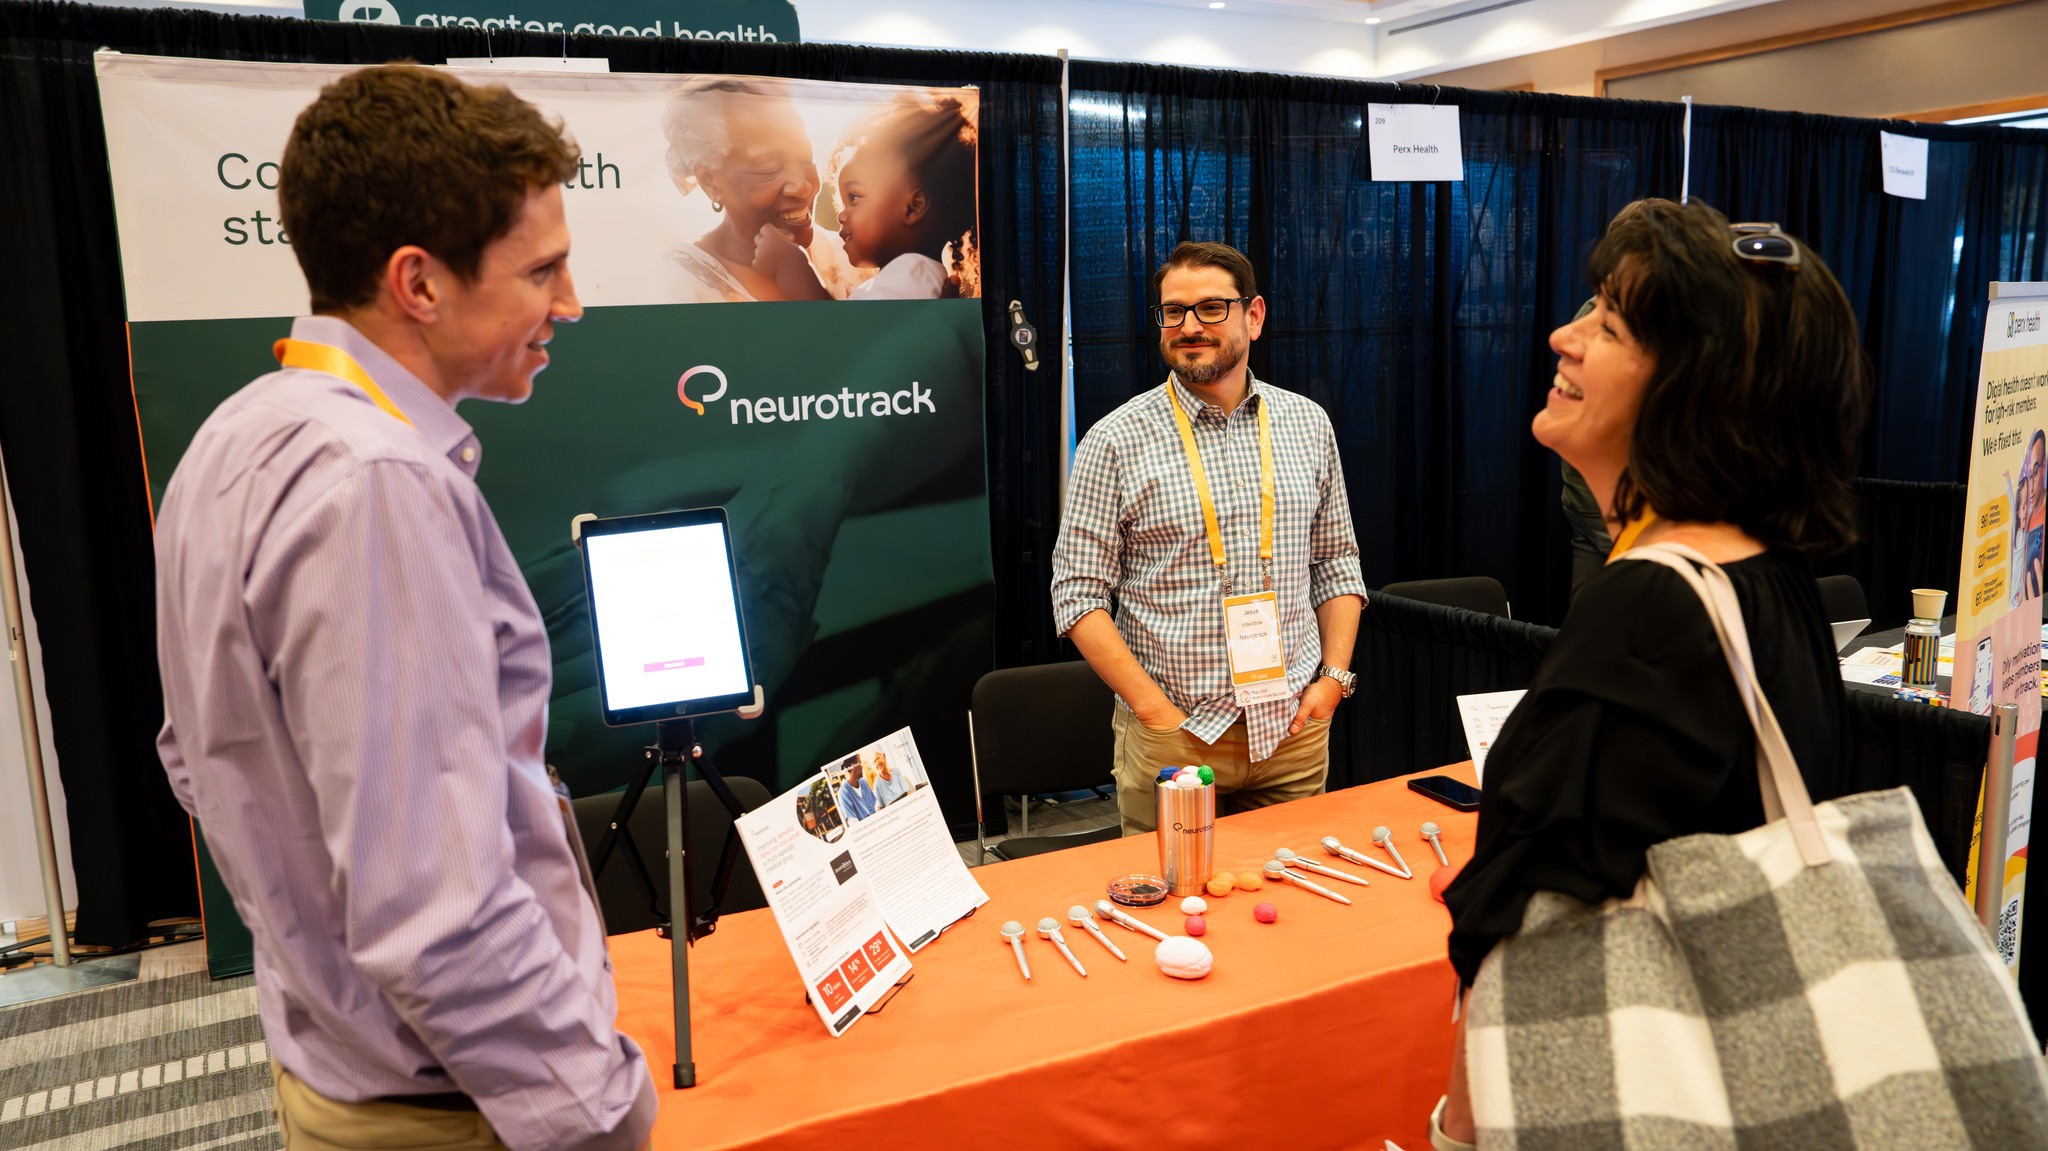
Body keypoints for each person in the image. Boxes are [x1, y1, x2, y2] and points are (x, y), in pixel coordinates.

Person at [152, 66, 655, 1151]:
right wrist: (598, 1113)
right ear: (419, 282)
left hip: (338, 1064)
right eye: (543, 269)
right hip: (453, 1107)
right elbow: (440, 915)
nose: (571, 303)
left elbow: (199, 761)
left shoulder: (234, 436)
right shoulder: (377, 485)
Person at [1431, 202, 1866, 1147]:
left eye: (1611, 326)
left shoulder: (1651, 610)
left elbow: (1523, 945)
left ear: (1694, 390)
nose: (1565, 336)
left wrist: (1454, 1135)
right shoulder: (1771, 574)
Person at [1051, 241, 1368, 835]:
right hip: (1177, 738)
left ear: (1254, 315)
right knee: (1172, 893)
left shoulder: (1307, 424)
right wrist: (1154, 712)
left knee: (1290, 887)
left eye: (1211, 308)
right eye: (1173, 311)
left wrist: (1333, 680)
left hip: (1293, 732)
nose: (1190, 326)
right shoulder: (1114, 441)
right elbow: (1077, 596)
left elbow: (1335, 563)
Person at [660, 76, 862, 302]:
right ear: (710, 182)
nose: (801, 187)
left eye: (806, 159)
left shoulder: (848, 259)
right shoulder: (684, 287)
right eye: (768, 169)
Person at [757, 98, 978, 302]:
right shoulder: (906, 279)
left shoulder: (913, 274)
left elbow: (844, 330)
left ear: (913, 207)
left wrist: (794, 267)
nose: (841, 215)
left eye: (854, 197)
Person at [832, 757, 880, 822]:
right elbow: (853, 822)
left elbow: (875, 805)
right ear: (853, 766)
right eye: (860, 762)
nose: (862, 766)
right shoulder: (844, 792)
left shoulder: (864, 782)